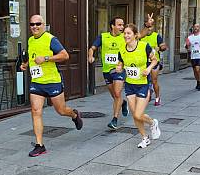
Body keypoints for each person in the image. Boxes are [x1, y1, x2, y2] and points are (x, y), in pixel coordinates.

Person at [21, 15, 83, 157]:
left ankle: (74, 115)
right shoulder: (31, 40)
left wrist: (46, 58)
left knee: (61, 110)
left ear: (43, 25)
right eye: (32, 24)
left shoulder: (51, 39)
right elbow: (33, 58)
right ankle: (39, 145)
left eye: (38, 24)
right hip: (37, 82)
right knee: (36, 111)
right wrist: (26, 64)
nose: (35, 26)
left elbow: (65, 55)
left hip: (52, 81)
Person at [116, 23, 161, 149]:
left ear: (135, 35)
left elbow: (155, 60)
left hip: (143, 85)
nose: (125, 35)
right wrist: (119, 68)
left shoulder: (144, 46)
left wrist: (149, 68)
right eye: (124, 33)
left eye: (128, 33)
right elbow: (120, 63)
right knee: (136, 114)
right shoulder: (122, 49)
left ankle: (152, 123)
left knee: (137, 114)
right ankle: (144, 138)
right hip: (130, 85)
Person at [88, 16, 129, 130]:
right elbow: (92, 48)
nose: (122, 27)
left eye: (123, 25)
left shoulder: (125, 37)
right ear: (113, 26)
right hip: (107, 71)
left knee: (117, 93)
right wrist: (90, 56)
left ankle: (114, 120)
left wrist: (147, 26)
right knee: (115, 96)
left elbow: (140, 35)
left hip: (119, 70)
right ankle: (123, 103)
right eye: (119, 25)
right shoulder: (103, 37)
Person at [140, 13, 168, 106]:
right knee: (145, 81)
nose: (150, 29)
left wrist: (159, 48)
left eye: (151, 27)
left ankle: (157, 97)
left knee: (154, 80)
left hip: (154, 61)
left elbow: (164, 47)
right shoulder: (141, 36)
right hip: (143, 62)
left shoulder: (157, 36)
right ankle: (147, 94)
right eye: (148, 27)